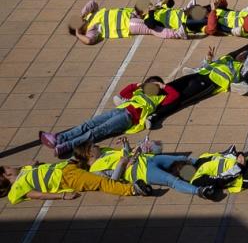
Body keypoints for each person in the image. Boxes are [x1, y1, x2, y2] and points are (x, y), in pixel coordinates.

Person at [39, 76, 178, 157]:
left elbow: (174, 95)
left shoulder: (159, 99)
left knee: (96, 132)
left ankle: (67, 146)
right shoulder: (139, 93)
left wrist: (163, 85)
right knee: (88, 124)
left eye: (155, 87)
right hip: (118, 111)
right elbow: (124, 93)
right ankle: (58, 138)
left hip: (127, 118)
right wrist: (138, 85)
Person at [79, 139, 212, 199]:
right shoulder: (95, 170)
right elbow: (112, 182)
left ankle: (211, 160)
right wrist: (122, 164)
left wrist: (126, 145)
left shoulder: (105, 152)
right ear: (89, 154)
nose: (98, 146)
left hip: (146, 158)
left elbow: (125, 155)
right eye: (94, 146)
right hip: (141, 172)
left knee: (183, 159)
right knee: (172, 180)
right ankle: (199, 191)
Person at [155, 46, 248, 119]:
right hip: (199, 74)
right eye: (242, 53)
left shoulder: (239, 68)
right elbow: (206, 65)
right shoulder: (225, 59)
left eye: (245, 56)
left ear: (245, 60)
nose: (242, 54)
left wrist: (236, 86)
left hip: (210, 83)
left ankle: (156, 114)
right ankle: (155, 94)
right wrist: (208, 58)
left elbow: (237, 80)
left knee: (182, 98)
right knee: (173, 85)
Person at [2, 161, 150, 204]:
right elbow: (38, 195)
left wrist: (35, 166)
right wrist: (63, 196)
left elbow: (37, 170)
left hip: (68, 167)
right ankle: (134, 189)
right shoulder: (18, 187)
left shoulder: (24, 171)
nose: (12, 166)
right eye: (9, 167)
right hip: (68, 178)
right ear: (6, 174)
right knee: (101, 182)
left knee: (100, 172)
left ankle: (125, 174)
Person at [67, 0, 186, 45]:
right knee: (150, 28)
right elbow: (88, 41)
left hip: (129, 13)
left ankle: (180, 12)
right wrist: (79, 35)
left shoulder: (90, 16)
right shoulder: (90, 31)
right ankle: (177, 34)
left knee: (150, 8)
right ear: (79, 29)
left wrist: (82, 15)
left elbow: (92, 3)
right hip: (127, 25)